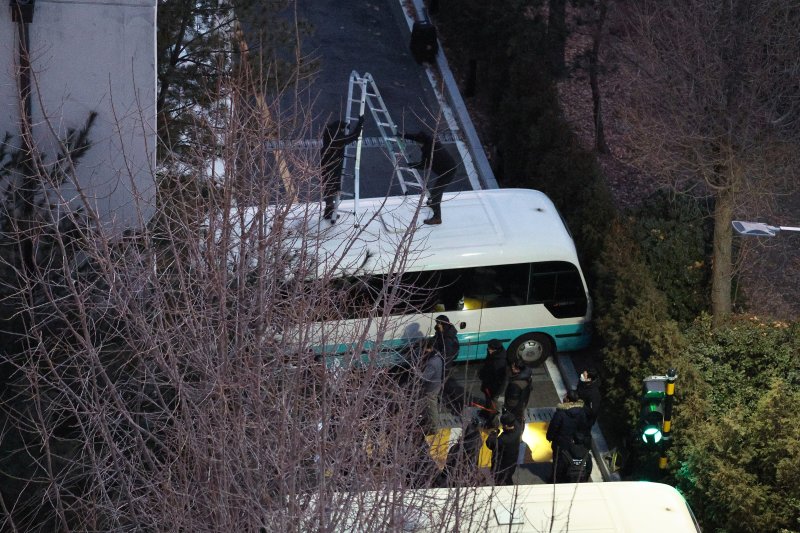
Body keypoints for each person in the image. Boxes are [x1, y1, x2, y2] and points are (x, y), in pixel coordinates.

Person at [402, 130, 457, 225]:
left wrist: (412, 165)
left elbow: (424, 166)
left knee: (436, 193)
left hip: (448, 171)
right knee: (435, 192)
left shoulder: (428, 151)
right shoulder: (429, 140)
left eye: (418, 144)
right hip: (446, 167)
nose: (417, 145)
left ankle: (437, 218)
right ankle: (433, 204)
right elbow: (416, 136)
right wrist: (403, 135)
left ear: (422, 143)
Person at [320, 115, 365, 221]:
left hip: (327, 164)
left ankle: (328, 211)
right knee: (331, 189)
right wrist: (360, 124)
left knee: (329, 188)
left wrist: (345, 124)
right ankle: (329, 211)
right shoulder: (336, 140)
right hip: (332, 166)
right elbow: (354, 136)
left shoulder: (328, 133)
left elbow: (336, 124)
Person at [546, 389, 589, 454]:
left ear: (568, 400)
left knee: (558, 460)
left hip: (560, 444)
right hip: (574, 443)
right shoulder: (582, 412)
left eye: (565, 396)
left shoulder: (560, 413)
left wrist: (549, 437)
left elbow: (553, 427)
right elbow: (584, 428)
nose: (564, 398)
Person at [485, 412, 523, 486]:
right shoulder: (517, 427)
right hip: (512, 461)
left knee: (499, 480)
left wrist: (494, 433)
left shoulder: (505, 439)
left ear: (506, 426)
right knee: (508, 477)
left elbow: (489, 443)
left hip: (501, 465)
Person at [419, 339, 445, 434]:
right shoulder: (438, 356)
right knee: (433, 405)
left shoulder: (431, 362)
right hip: (437, 384)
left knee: (431, 408)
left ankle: (434, 429)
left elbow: (425, 377)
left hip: (431, 388)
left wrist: (417, 372)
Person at [478, 339, 507, 413]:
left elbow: (501, 380)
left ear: (496, 350)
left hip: (493, 388)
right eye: (489, 348)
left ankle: (492, 419)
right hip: (488, 384)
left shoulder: (499, 363)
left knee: (493, 403)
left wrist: (496, 392)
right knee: (489, 400)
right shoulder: (493, 354)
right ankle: (487, 411)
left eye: (491, 349)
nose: (489, 350)